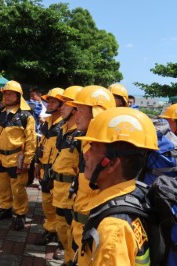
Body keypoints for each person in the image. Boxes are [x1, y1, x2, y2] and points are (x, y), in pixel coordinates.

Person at [75, 107, 159, 265]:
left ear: (111, 163)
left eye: (92, 147)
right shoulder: (134, 194)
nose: (86, 154)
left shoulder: (112, 229)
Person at [66, 85, 116, 265]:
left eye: (80, 110)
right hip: (79, 228)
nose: (75, 115)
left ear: (97, 114)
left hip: (92, 236)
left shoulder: (107, 154)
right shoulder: (87, 145)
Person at [0, 80, 36, 231]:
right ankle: (5, 208)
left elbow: (31, 139)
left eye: (11, 94)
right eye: (6, 93)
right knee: (2, 186)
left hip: (17, 159)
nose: (8, 96)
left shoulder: (26, 116)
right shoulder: (0, 113)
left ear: (18, 96)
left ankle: (20, 214)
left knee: (18, 189)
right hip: (1, 158)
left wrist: (28, 160)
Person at [49, 85, 83, 264]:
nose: (61, 107)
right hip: (59, 188)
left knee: (72, 230)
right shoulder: (63, 128)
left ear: (76, 108)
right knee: (62, 227)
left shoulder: (82, 134)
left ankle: (70, 261)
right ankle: (67, 258)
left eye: (65, 104)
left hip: (72, 193)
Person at [34, 88, 64, 247]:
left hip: (59, 173)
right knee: (47, 202)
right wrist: (37, 163)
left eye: (53, 101)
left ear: (62, 105)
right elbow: (42, 144)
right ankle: (51, 229)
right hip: (45, 170)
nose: (49, 104)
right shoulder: (48, 122)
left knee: (60, 207)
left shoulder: (65, 126)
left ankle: (61, 240)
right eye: (49, 101)